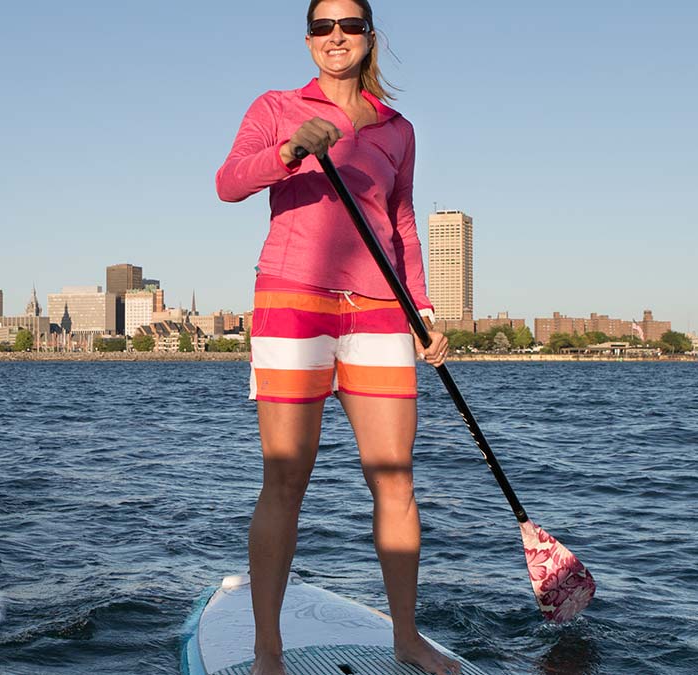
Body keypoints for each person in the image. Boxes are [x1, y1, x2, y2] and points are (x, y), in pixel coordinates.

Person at [215, 2, 459, 674]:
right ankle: (269, 648)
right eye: (323, 26)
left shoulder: (396, 129)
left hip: (380, 310)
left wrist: (423, 310)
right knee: (286, 478)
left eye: (349, 25)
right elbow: (229, 183)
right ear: (308, 39)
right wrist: (292, 149)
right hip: (294, 301)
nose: (336, 36)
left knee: (396, 479)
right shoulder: (275, 106)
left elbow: (403, 226)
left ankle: (406, 637)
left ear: (368, 37)